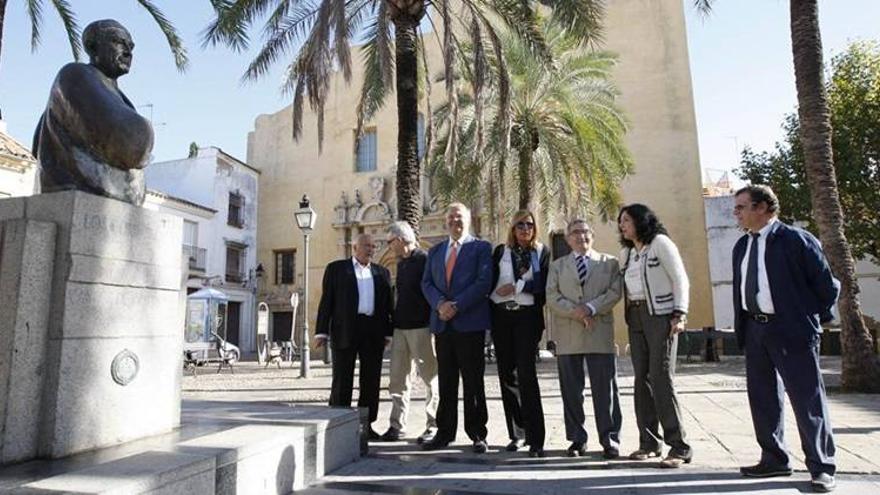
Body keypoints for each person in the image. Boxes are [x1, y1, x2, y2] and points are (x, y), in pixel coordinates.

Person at [732, 185, 838, 493]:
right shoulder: (741, 246)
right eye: (736, 208)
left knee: (807, 400)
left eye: (741, 207)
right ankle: (774, 458)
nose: (736, 213)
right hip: (755, 329)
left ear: (763, 207)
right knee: (763, 398)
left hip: (792, 330)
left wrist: (806, 319)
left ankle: (821, 466)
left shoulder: (796, 240)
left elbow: (826, 287)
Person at [33, 19, 153, 205]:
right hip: (77, 200)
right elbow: (131, 143)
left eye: (131, 46)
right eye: (118, 42)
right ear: (92, 46)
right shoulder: (75, 75)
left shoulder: (118, 97)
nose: (128, 52)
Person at [618, 204, 692, 468]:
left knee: (661, 377)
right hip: (635, 316)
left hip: (661, 315)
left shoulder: (660, 243)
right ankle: (649, 443)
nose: (622, 225)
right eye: (621, 221)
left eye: (626, 220)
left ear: (641, 221)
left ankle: (679, 446)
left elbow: (680, 279)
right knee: (642, 379)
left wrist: (680, 313)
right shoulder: (627, 253)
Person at [546, 219, 623, 459]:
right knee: (571, 391)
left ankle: (609, 439)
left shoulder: (609, 263)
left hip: (599, 331)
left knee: (605, 389)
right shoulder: (557, 266)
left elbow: (615, 292)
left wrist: (590, 308)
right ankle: (577, 439)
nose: (581, 236)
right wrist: (576, 311)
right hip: (569, 334)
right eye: (575, 232)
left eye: (585, 231)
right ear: (568, 239)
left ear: (593, 235)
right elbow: (551, 296)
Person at [420, 202, 493, 453]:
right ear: (445, 221)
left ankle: (477, 433)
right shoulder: (436, 251)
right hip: (443, 325)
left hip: (469, 324)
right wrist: (440, 304)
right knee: (446, 381)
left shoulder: (481, 248)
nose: (454, 221)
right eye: (450, 217)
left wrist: (457, 305)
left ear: (469, 219)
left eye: (459, 216)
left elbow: (484, 282)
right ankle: (444, 432)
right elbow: (426, 283)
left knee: (473, 381)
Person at [315, 233, 393, 439]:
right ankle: (338, 423)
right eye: (366, 245)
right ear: (354, 247)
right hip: (344, 329)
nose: (370, 249)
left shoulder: (382, 273)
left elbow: (387, 306)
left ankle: (366, 426)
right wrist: (321, 331)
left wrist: (388, 333)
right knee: (342, 378)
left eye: (373, 246)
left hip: (373, 331)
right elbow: (327, 302)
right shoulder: (336, 269)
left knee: (371, 380)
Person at [489, 210, 550, 457]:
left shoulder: (540, 252)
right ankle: (517, 434)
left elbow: (543, 283)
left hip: (527, 318)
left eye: (530, 224)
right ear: (512, 228)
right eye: (520, 225)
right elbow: (490, 282)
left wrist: (517, 286)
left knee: (526, 374)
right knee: (507, 375)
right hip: (502, 316)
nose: (525, 228)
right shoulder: (500, 252)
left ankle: (536, 439)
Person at [380, 221, 439, 444]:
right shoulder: (401, 263)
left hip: (422, 327)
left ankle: (433, 425)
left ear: (402, 240)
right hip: (400, 329)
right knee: (398, 379)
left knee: (430, 378)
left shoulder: (424, 259)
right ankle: (397, 425)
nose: (388, 247)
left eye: (390, 242)